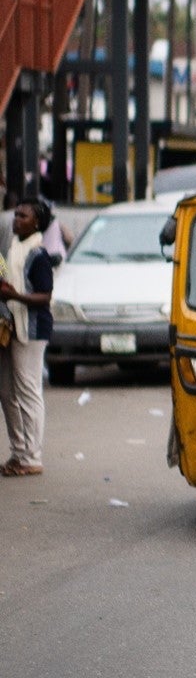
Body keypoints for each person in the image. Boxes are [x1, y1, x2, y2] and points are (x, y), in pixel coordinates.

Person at [0, 197, 55, 476]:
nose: (16, 219)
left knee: (28, 391)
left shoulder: (38, 254)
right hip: (12, 327)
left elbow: (45, 296)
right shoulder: (12, 249)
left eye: (23, 216)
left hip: (32, 329)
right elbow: (4, 273)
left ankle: (32, 457)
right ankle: (19, 452)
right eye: (16, 214)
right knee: (8, 391)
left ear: (37, 223)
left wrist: (15, 296)